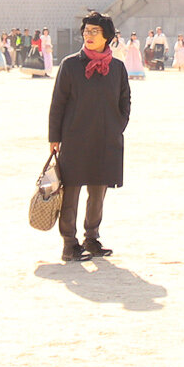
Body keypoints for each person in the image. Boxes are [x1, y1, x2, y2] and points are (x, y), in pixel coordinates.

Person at [48, 13, 132, 263]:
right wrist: (54, 137)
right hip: (75, 138)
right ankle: (69, 243)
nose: (89, 35)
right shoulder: (70, 65)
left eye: (95, 31)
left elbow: (125, 101)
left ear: (107, 36)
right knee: (71, 192)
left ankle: (91, 238)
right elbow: (58, 102)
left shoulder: (117, 68)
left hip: (106, 139)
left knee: (98, 192)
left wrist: (118, 126)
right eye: (86, 31)